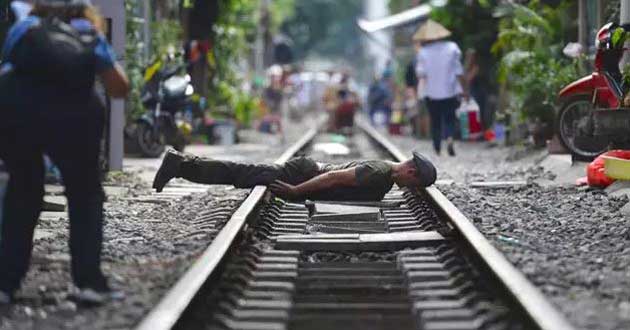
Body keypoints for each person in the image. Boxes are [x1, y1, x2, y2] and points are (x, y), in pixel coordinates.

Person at [0, 0, 129, 305]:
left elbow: (8, 69)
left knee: (23, 189)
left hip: (19, 116)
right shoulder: (87, 33)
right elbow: (119, 87)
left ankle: (5, 284)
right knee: (85, 195)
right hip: (76, 120)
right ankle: (89, 283)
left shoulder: (24, 28)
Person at [152, 149, 437, 202]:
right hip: (303, 174)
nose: (412, 188)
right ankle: (181, 164)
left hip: (306, 173)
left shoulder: (386, 176)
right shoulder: (380, 172)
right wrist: (297, 191)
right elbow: (333, 179)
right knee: (240, 174)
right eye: (415, 184)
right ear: (411, 171)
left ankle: (182, 165)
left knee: (242, 174)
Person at [414, 19, 468, 156]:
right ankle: (449, 137)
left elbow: (421, 74)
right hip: (450, 91)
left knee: (435, 120)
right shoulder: (452, 47)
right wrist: (465, 90)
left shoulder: (423, 52)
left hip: (431, 93)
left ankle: (437, 147)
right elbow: (459, 71)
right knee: (449, 118)